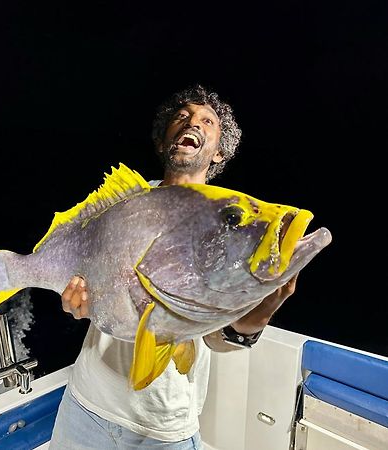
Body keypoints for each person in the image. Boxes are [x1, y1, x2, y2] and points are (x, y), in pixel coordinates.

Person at [49, 85, 298, 449]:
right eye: (181, 117)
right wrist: (74, 303)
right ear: (165, 140)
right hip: (85, 404)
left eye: (206, 121)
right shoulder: (119, 205)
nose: (191, 123)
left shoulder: (225, 221)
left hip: (163, 428)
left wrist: (258, 315)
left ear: (218, 152)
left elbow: (214, 334)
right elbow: (83, 288)